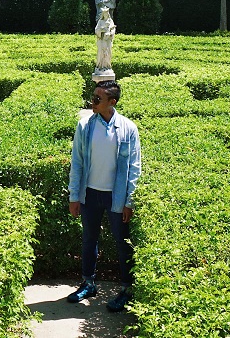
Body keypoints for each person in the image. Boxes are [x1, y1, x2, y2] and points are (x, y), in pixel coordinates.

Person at [67, 80, 141, 312]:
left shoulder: (128, 128)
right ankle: (88, 283)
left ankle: (127, 289)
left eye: (98, 98)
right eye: (93, 96)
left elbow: (134, 166)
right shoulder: (85, 126)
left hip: (115, 197)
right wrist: (74, 195)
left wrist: (129, 200)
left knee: (122, 244)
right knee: (89, 239)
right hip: (90, 194)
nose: (93, 101)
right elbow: (77, 162)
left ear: (112, 102)